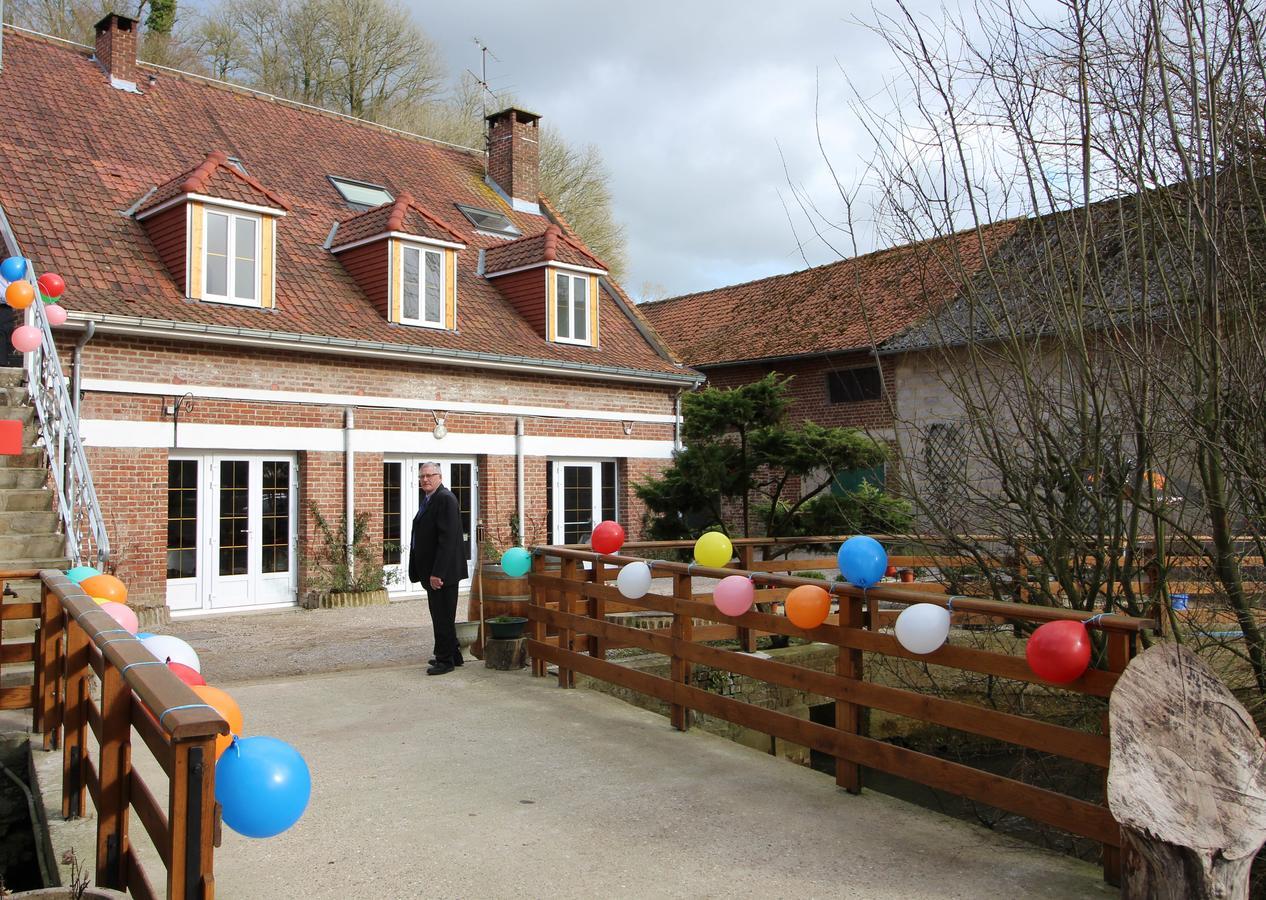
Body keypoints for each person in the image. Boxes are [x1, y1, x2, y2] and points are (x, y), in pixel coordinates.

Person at [408, 462, 468, 675]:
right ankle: (453, 654)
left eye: (430, 475)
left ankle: (445, 661)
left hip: (443, 573)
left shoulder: (445, 499)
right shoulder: (430, 499)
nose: (425, 479)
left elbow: (448, 539)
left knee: (443, 616)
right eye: (422, 476)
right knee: (441, 615)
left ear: (440, 477)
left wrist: (437, 573)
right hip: (433, 571)